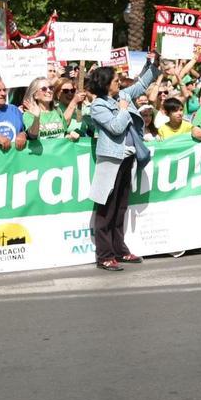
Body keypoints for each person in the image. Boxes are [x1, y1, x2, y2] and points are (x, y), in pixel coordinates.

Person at [87, 54, 159, 272]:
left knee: (120, 208)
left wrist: (154, 64)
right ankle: (105, 255)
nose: (120, 82)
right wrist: (124, 108)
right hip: (111, 160)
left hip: (128, 159)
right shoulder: (98, 105)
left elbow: (143, 83)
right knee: (106, 209)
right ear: (106, 84)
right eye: (116, 80)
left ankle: (119, 249)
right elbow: (116, 128)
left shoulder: (123, 95)